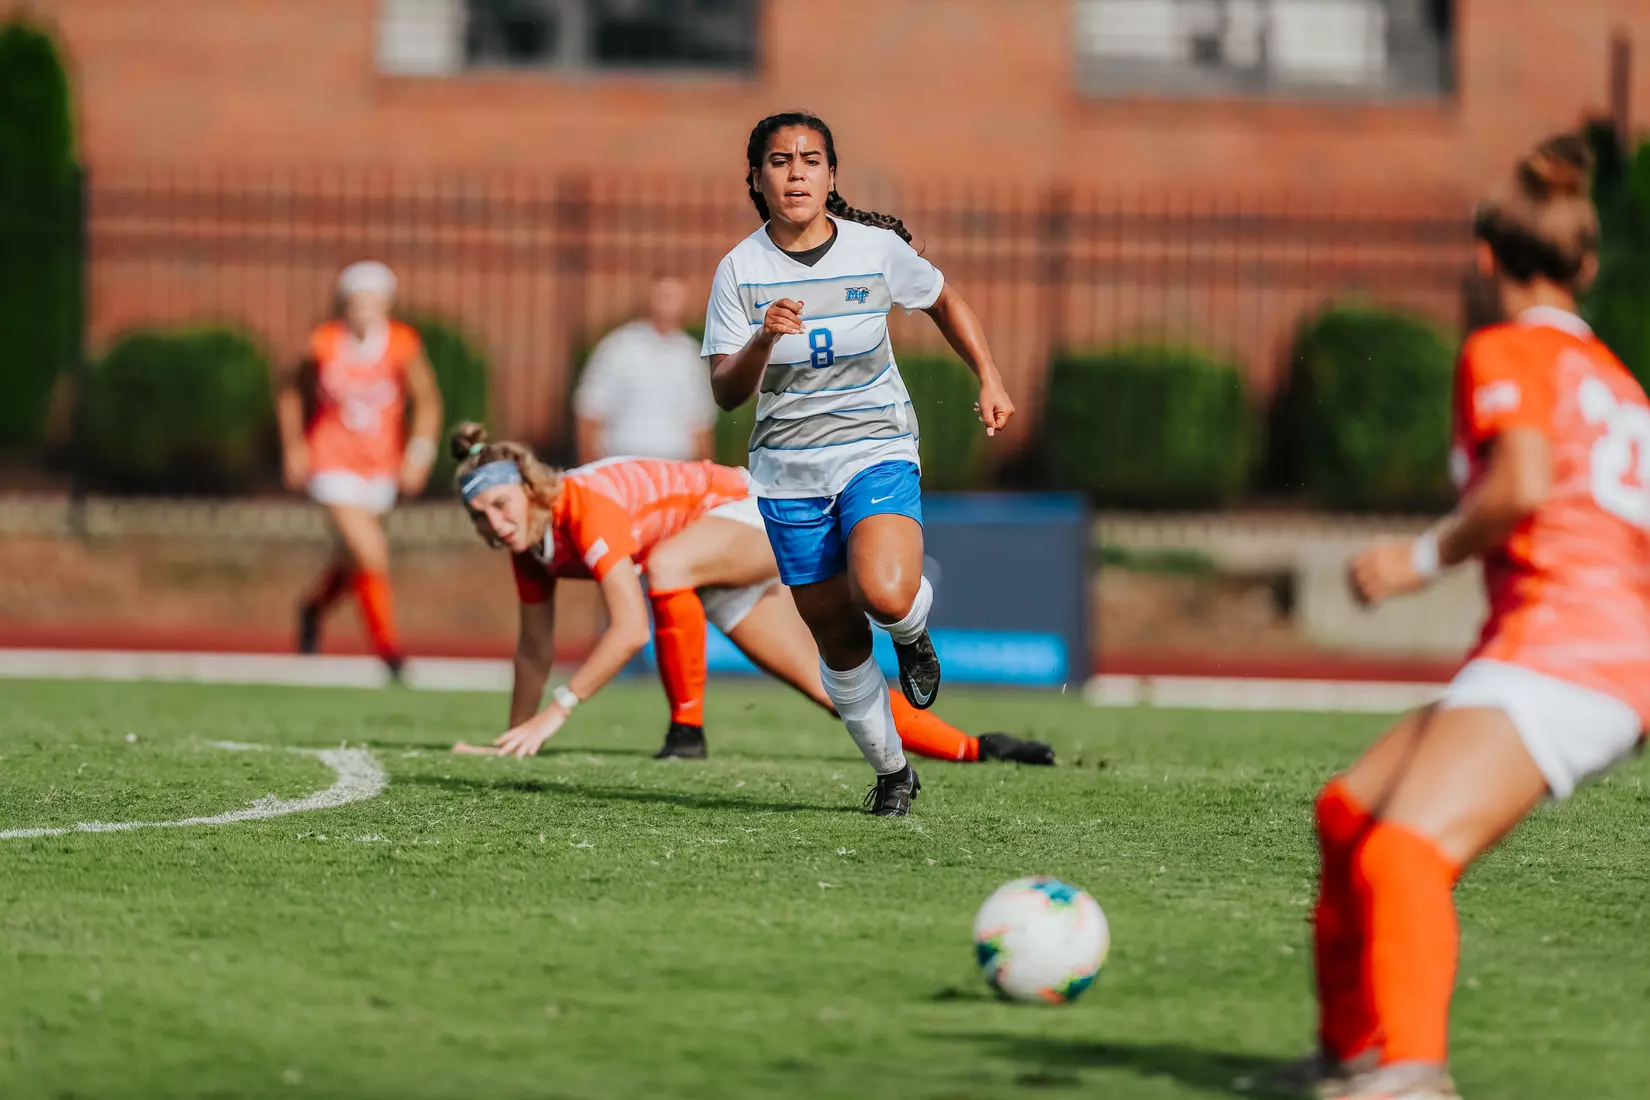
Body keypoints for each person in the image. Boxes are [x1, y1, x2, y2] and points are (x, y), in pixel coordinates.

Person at [1281, 135, 1650, 1100]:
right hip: (1580, 651)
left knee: (1405, 852)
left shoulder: (1504, 348)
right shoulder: (1616, 380)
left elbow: (1524, 483)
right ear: (1587, 266)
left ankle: (1412, 1076)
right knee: (1350, 814)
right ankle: (1352, 1053)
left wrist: (1414, 560)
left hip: (1571, 654)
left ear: (1486, 259)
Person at [701, 111, 1015, 815]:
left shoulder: (875, 250)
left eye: (811, 160)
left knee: (885, 592)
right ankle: (894, 771)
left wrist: (989, 377)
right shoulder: (739, 269)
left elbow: (944, 300)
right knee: (839, 642)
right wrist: (760, 338)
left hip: (875, 447)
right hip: (787, 472)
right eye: (779, 162)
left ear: (832, 174)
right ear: (756, 178)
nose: (796, 174)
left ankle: (911, 635)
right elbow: (724, 393)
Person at [444, 423, 1053, 771]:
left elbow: (629, 630)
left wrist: (558, 711)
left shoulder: (583, 508)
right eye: (480, 516)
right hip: (705, 564)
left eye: (500, 505)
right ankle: (979, 748)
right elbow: (533, 647)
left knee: (665, 563)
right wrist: (513, 737)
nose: (495, 524)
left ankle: (687, 734)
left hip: (745, 513)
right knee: (834, 688)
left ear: (529, 487)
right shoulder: (531, 544)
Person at [276, 261, 443, 678]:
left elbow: (428, 402)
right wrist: (295, 446)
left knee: (354, 559)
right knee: (371, 552)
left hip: (380, 465)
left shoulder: (402, 344)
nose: (362, 309)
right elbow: (290, 392)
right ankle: (389, 652)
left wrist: (418, 454)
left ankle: (313, 606)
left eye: (371, 301)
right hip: (331, 460)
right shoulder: (324, 342)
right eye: (355, 301)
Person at [574, 275, 718, 464]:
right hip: (623, 465)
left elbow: (700, 424)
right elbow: (590, 412)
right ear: (649, 299)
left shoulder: (690, 355)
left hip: (675, 468)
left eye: (673, 297)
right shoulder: (618, 347)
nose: (667, 305)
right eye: (663, 296)